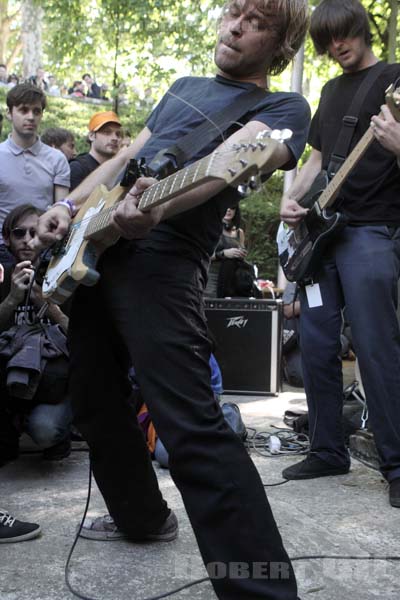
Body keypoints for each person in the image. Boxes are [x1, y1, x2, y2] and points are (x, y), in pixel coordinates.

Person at [37, 2, 310, 598]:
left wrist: (159, 205)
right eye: (234, 12)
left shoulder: (283, 107)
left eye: (257, 21)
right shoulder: (184, 87)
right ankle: (142, 518)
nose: (236, 25)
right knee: (95, 402)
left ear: (281, 43)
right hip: (100, 250)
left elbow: (229, 164)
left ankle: (262, 589)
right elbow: (124, 160)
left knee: (190, 426)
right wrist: (67, 205)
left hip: (164, 265)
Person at [279, 0, 400, 509]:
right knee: (315, 342)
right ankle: (327, 448)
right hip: (320, 233)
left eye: (343, 35)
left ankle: (396, 464)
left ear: (361, 28)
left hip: (372, 231)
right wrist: (293, 197)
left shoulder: (394, 79)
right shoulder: (329, 91)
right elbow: (318, 160)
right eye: (326, 41)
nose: (336, 47)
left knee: (375, 345)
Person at [0, 205, 71, 465]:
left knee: (45, 430)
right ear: (6, 238)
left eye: (35, 232)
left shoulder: (64, 274)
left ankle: (61, 429)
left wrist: (50, 305)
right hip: (11, 377)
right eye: (20, 233)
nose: (28, 240)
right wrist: (12, 299)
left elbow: (83, 338)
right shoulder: (2, 275)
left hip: (54, 380)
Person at [0, 84, 70, 269]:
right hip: (3, 249)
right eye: (23, 110)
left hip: (43, 249)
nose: (30, 116)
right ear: (9, 113)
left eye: (36, 111)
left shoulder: (57, 159)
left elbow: (61, 208)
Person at [69, 111, 122, 190]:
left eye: (118, 134)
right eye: (107, 132)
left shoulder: (120, 170)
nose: (114, 138)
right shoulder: (78, 168)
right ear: (91, 136)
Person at [205, 205, 248, 297]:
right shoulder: (212, 228)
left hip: (232, 280)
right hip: (213, 278)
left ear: (236, 210)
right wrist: (224, 253)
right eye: (226, 206)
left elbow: (242, 253)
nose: (229, 210)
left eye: (232, 207)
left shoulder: (239, 232)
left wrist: (241, 253)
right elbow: (204, 255)